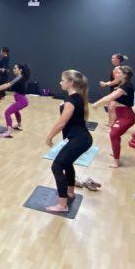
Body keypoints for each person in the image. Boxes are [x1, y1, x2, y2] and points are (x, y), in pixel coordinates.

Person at [44, 70, 93, 213]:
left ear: (71, 83)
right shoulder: (77, 97)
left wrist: (49, 137)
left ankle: (62, 205)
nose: (60, 82)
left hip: (80, 140)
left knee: (57, 166)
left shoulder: (71, 100)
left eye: (62, 80)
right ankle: (70, 192)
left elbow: (61, 123)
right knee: (66, 163)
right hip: (82, 139)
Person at [93, 65, 135, 168]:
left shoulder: (126, 86)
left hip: (127, 117)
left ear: (125, 75)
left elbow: (109, 98)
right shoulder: (122, 84)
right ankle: (116, 153)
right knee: (115, 134)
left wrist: (96, 104)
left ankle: (116, 162)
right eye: (115, 72)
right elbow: (112, 90)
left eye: (118, 73)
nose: (115, 74)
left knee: (114, 134)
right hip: (121, 115)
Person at [0, 63, 30, 138]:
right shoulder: (20, 77)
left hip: (22, 101)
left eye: (15, 68)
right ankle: (19, 125)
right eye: (13, 68)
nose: (13, 69)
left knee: (7, 112)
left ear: (20, 70)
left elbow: (7, 85)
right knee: (16, 111)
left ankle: (8, 132)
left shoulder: (19, 78)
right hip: (22, 100)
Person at [99, 53, 127, 128]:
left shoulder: (117, 69)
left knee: (111, 108)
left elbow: (116, 81)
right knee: (112, 108)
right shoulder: (121, 68)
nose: (111, 59)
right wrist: (106, 83)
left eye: (113, 58)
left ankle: (112, 125)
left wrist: (105, 84)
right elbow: (116, 80)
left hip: (116, 91)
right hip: (118, 90)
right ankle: (113, 124)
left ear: (118, 60)